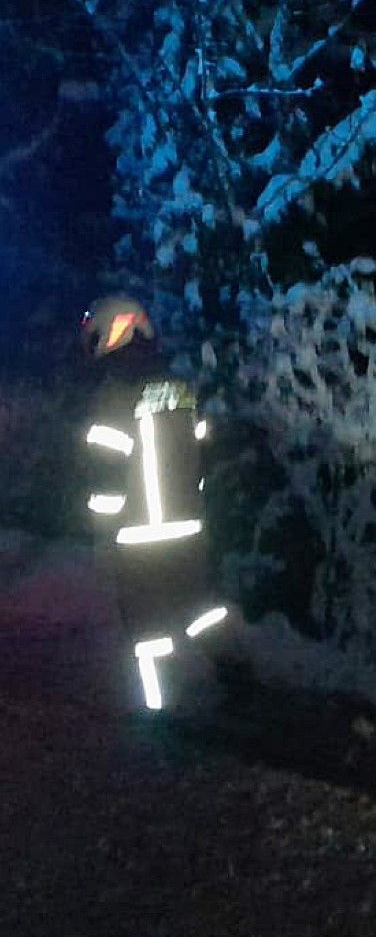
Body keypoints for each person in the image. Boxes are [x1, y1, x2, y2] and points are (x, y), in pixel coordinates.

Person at [78, 295, 226, 711]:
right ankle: (234, 671)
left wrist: (103, 540)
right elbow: (203, 451)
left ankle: (161, 712)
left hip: (138, 538)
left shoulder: (112, 400)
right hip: (189, 529)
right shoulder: (179, 389)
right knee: (199, 608)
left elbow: (107, 483)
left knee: (147, 631)